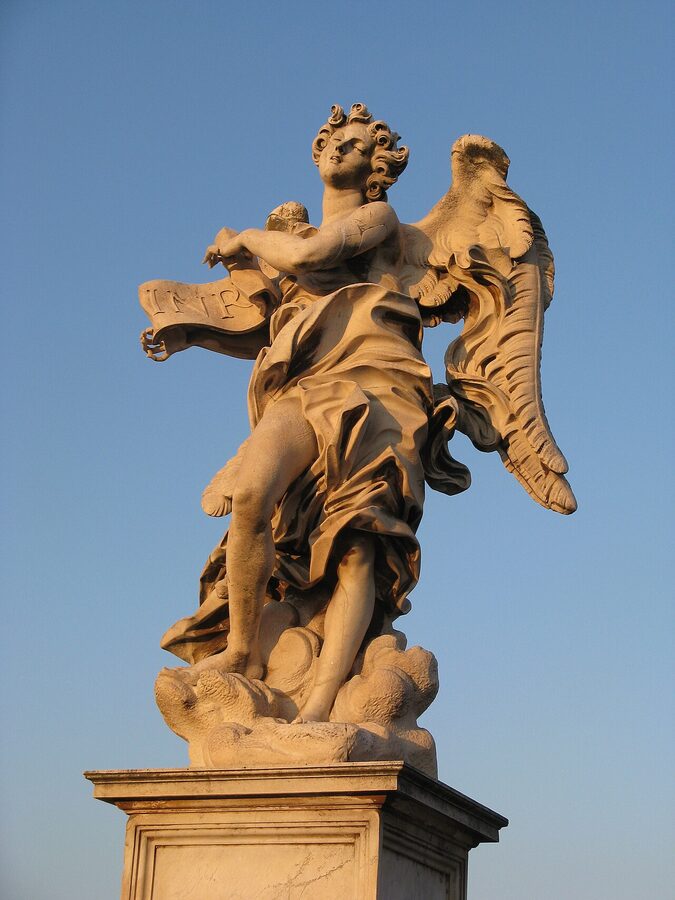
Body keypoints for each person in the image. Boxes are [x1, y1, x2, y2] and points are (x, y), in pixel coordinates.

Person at [177, 103, 434, 722]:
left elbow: (311, 255)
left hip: (376, 388)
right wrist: (187, 327)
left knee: (355, 545)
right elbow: (267, 326)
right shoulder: (287, 243)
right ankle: (243, 649)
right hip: (306, 387)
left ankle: (320, 709)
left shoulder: (378, 218)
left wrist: (245, 240)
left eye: (353, 145)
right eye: (331, 141)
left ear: (376, 166)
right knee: (253, 495)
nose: (337, 150)